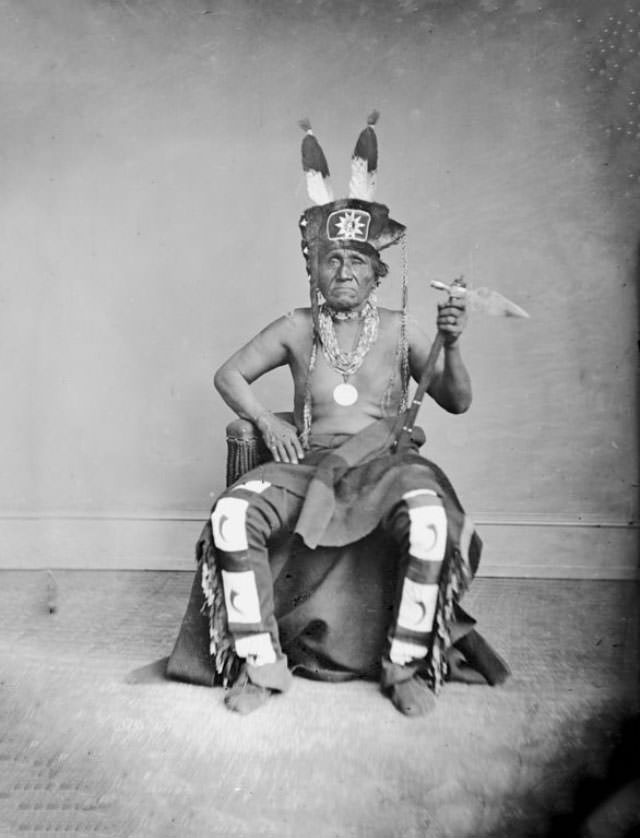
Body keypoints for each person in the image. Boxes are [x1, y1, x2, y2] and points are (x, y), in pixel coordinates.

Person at [196, 114, 509, 716]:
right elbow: (227, 374)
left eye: (358, 261)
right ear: (313, 268)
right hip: (309, 464)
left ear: (377, 273)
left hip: (386, 463)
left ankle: (406, 664)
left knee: (432, 520)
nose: (344, 271)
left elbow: (457, 400)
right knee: (232, 515)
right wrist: (268, 421)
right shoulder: (295, 327)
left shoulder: (400, 328)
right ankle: (259, 665)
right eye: (332, 259)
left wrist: (454, 343)